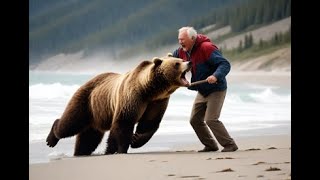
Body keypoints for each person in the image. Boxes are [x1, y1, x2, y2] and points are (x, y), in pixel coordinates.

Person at [172, 26, 238, 152]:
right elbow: (171, 63)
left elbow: (224, 64)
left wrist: (215, 75)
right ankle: (211, 145)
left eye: (183, 39)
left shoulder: (206, 48)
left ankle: (230, 145)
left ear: (192, 38)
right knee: (195, 120)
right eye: (179, 39)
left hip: (216, 88)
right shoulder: (181, 52)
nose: (180, 42)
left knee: (211, 119)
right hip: (202, 90)